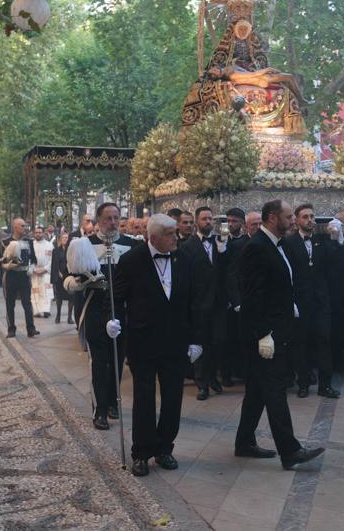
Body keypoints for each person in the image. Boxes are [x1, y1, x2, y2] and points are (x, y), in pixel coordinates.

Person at [234, 199, 324, 470]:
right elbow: (252, 297)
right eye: (288, 217)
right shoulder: (256, 248)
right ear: (272, 218)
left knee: (257, 392)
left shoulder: (277, 244)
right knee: (274, 392)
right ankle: (290, 450)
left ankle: (244, 442)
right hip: (264, 335)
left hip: (278, 329)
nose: (293, 221)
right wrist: (263, 334)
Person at [109, 214, 203, 475]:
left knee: (173, 398)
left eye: (176, 233)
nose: (177, 237)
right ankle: (141, 452)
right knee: (144, 397)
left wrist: (196, 339)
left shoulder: (183, 258)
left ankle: (164, 448)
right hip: (143, 341)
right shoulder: (131, 260)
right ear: (154, 237)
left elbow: (194, 300)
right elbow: (116, 298)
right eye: (171, 234)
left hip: (176, 341)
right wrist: (113, 321)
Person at [67, 202, 141, 430]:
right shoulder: (84, 244)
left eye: (116, 217)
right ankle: (99, 409)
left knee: (117, 359)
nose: (112, 222)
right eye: (107, 218)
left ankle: (112, 402)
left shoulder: (132, 245)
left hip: (122, 310)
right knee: (99, 361)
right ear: (98, 221)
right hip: (95, 310)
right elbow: (69, 279)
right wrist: (82, 283)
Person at [284, 204, 340, 399]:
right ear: (297, 220)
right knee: (301, 343)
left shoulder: (322, 241)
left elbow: (334, 264)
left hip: (320, 301)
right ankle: (303, 384)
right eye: (305, 217)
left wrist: (336, 240)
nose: (309, 220)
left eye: (312, 216)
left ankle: (326, 385)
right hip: (300, 301)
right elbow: (287, 273)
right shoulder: (289, 243)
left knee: (324, 342)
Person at [180, 206, 228, 401]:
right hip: (198, 302)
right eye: (204, 219)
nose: (208, 222)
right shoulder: (187, 245)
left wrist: (223, 251)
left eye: (210, 219)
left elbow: (226, 271)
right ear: (197, 222)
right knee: (200, 342)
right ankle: (202, 383)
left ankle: (213, 378)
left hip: (217, 302)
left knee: (217, 341)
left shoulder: (220, 241)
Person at [221, 208, 249, 386]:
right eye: (228, 221)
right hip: (223, 298)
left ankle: (242, 372)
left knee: (241, 338)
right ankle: (225, 374)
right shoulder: (220, 241)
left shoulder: (247, 242)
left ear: (242, 224)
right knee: (225, 339)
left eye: (235, 221)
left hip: (240, 297)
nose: (231, 224)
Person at [0, 219, 38, 339]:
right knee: (9, 304)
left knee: (27, 303)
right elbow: (0, 260)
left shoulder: (29, 241)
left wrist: (32, 267)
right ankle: (11, 329)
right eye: (22, 226)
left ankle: (31, 329)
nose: (25, 228)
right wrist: (8, 265)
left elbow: (34, 259)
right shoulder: (5, 242)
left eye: (25, 226)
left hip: (24, 276)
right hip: (10, 276)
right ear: (15, 227)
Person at [31, 225, 54, 318]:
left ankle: (46, 310)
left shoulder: (49, 245)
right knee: (35, 291)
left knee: (46, 291)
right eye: (36, 232)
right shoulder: (31, 245)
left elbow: (52, 260)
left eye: (40, 232)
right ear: (34, 234)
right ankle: (37, 311)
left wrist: (45, 269)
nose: (38, 234)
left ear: (43, 233)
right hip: (34, 271)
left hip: (46, 271)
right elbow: (28, 259)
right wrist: (34, 269)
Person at [51, 233, 71, 324]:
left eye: (66, 238)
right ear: (60, 239)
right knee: (59, 298)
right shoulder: (56, 250)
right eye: (63, 237)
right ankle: (58, 315)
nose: (65, 239)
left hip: (69, 277)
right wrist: (59, 273)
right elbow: (54, 264)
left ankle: (69, 317)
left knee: (71, 298)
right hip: (59, 278)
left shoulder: (71, 250)